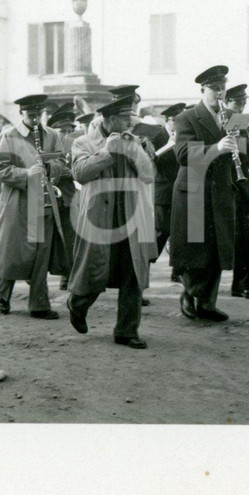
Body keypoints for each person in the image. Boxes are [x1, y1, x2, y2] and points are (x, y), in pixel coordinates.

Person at [67, 95, 156, 349]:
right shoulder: (83, 142)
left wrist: (135, 151)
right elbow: (80, 173)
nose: (131, 122)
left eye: (132, 116)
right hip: (100, 218)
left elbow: (149, 175)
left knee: (133, 273)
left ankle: (127, 331)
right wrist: (107, 152)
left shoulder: (136, 142)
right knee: (96, 270)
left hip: (132, 216)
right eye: (126, 118)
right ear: (110, 119)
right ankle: (78, 304)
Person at [0, 94, 68, 319]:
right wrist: (26, 173)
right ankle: (3, 296)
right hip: (18, 203)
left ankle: (39, 305)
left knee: (41, 255)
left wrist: (51, 166)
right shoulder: (10, 135)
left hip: (44, 202)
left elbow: (62, 161)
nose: (35, 120)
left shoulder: (52, 135)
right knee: (11, 252)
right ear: (21, 114)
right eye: (30, 115)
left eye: (38, 115)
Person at [170, 65, 238, 323]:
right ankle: (189, 294)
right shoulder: (187, 117)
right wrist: (217, 147)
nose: (220, 94)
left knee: (218, 249)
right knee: (195, 248)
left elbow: (237, 152)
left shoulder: (230, 116)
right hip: (194, 192)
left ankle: (208, 303)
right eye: (215, 89)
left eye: (223, 88)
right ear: (203, 89)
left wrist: (241, 147)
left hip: (220, 189)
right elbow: (183, 155)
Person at [222, 83, 249, 300]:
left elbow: (246, 160)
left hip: (241, 181)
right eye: (237, 102)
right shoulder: (218, 120)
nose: (241, 107)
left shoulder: (243, 125)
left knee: (247, 232)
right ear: (226, 103)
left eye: (244, 103)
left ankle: (243, 284)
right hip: (222, 180)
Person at [47, 107, 81, 291]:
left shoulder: (75, 145)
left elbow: (82, 168)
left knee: (69, 239)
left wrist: (72, 172)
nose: (67, 134)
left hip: (68, 196)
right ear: (53, 130)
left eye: (70, 131)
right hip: (47, 196)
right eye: (63, 131)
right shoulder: (46, 144)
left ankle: (67, 276)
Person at [152, 102, 185, 283]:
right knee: (160, 233)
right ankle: (144, 268)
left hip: (180, 190)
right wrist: (169, 145)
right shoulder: (158, 135)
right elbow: (151, 159)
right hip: (163, 192)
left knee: (180, 234)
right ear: (168, 120)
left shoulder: (184, 135)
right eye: (176, 121)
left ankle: (177, 271)